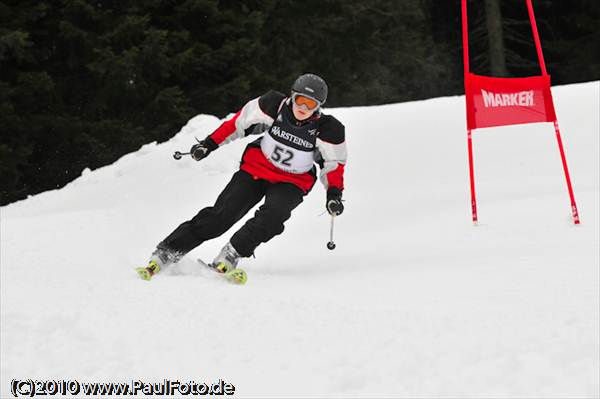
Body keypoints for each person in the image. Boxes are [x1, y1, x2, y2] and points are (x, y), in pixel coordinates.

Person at [136, 73, 347, 283]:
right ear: (292, 96)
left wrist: (334, 195)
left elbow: (334, 164)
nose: (303, 108)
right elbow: (236, 124)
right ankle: (168, 250)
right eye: (300, 100)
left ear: (319, 107)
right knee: (222, 216)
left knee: (274, 216)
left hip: (292, 181)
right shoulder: (272, 105)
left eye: (311, 105)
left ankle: (232, 253)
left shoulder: (329, 129)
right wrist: (208, 145)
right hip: (257, 168)